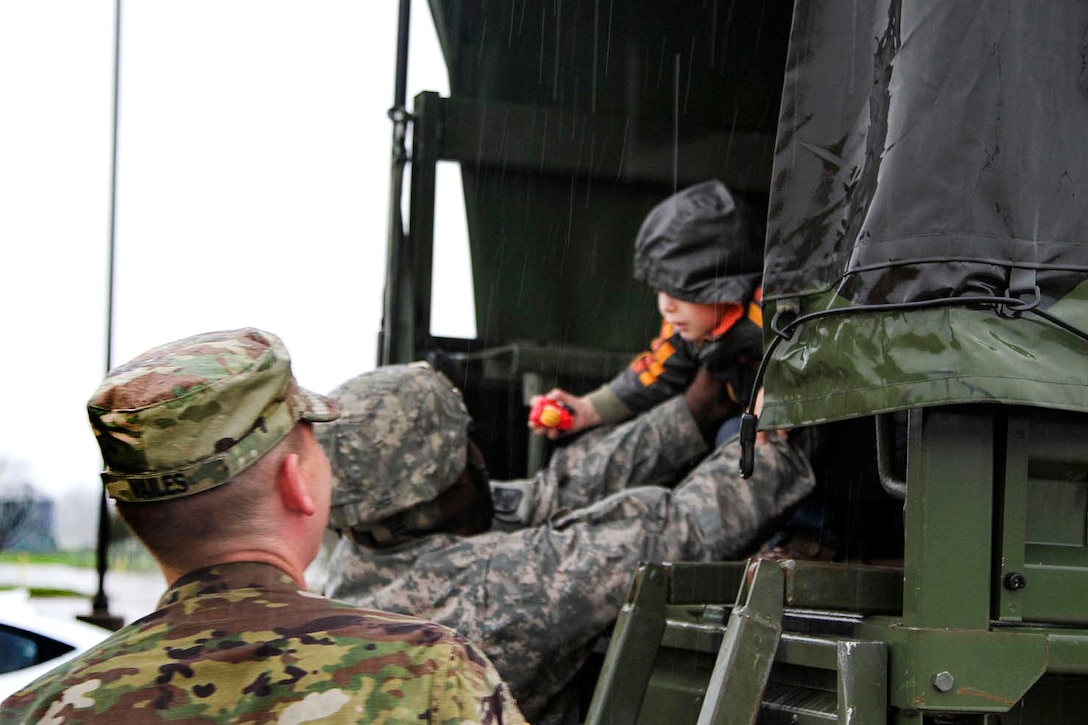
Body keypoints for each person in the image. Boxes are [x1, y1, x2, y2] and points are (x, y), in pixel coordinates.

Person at [0, 328, 524, 724]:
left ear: (130, 514)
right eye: (314, 444)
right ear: (296, 483)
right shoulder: (431, 674)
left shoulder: (32, 711)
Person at [320, 362, 815, 724]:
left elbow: (552, 492)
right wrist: (775, 433)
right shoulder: (495, 590)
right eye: (462, 445)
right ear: (447, 484)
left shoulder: (364, 555)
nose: (476, 452)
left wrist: (694, 409)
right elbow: (679, 529)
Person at [530, 179, 765, 446]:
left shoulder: (773, 313)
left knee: (737, 439)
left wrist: (782, 397)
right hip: (748, 427)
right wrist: (586, 409)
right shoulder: (685, 327)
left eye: (681, 292)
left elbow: (816, 359)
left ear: (723, 284)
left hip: (803, 437)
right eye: (659, 291)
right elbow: (655, 372)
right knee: (731, 437)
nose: (667, 306)